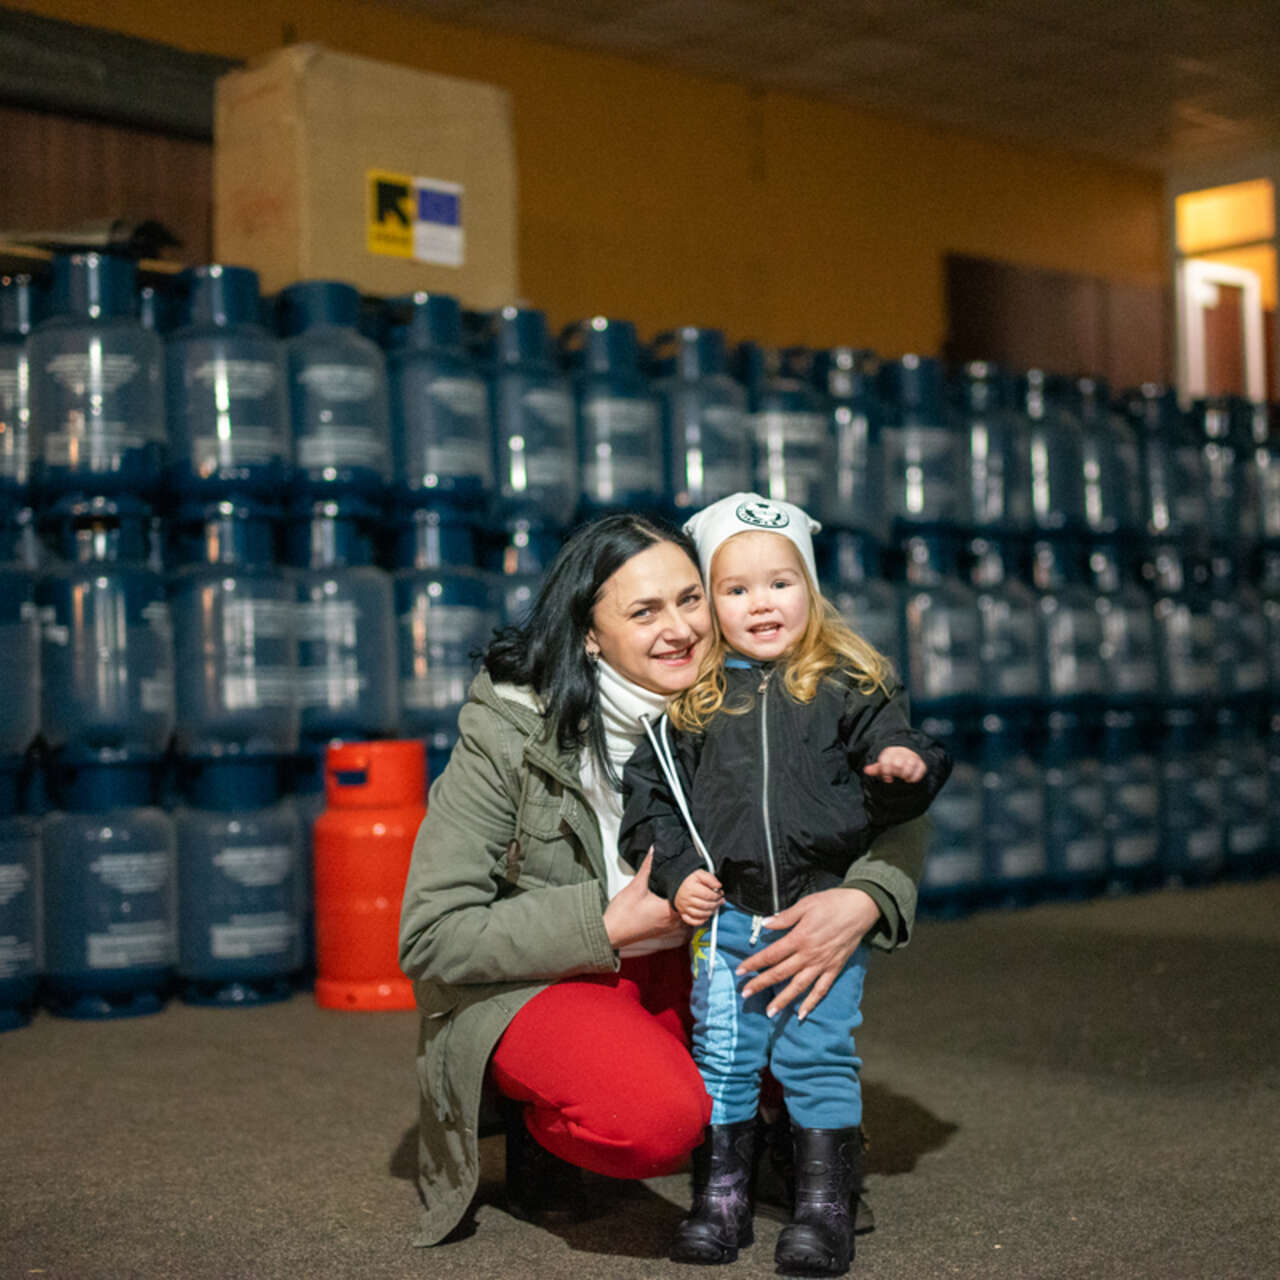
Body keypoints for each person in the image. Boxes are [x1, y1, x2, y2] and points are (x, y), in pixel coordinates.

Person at [397, 511, 932, 1250]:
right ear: (590, 633)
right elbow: (431, 935)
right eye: (643, 611)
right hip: (558, 972)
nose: (680, 628)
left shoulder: (766, 689)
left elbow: (895, 801)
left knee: (793, 1013)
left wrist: (865, 896)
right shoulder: (510, 729)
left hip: (702, 947)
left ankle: (780, 1144)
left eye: (690, 599)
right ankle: (537, 1126)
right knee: (652, 1117)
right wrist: (606, 923)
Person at [620, 493, 951, 1275]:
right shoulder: (689, 711)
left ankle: (823, 1206)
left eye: (780, 583)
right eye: (735, 590)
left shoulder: (850, 684)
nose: (761, 603)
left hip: (814, 912)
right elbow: (652, 807)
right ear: (711, 605)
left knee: (816, 1052)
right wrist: (678, 875)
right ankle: (722, 1197)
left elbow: (904, 751)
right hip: (729, 919)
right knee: (724, 1057)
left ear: (811, 589)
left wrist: (904, 772)